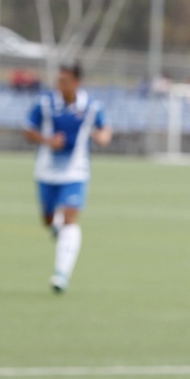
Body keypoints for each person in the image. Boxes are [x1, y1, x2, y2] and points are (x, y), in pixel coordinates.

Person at [24, 62, 112, 293]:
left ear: (76, 82)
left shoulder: (91, 106)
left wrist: (102, 137)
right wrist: (47, 141)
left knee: (71, 217)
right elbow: (28, 129)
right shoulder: (44, 103)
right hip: (46, 171)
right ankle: (56, 225)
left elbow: (105, 129)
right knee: (49, 220)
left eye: (64, 80)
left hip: (75, 171)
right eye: (58, 79)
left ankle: (61, 275)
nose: (59, 84)